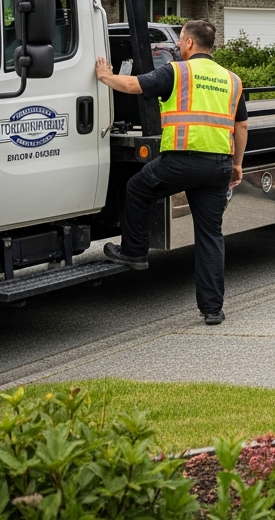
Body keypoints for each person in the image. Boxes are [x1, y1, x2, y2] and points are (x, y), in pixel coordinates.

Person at [95, 19, 248, 325]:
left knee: (138, 189)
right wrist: (237, 164)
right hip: (218, 164)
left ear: (189, 43)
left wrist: (105, 76)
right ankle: (212, 310)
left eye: (180, 40)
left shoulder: (177, 71)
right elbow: (241, 125)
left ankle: (134, 252)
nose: (179, 44)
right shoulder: (232, 79)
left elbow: (134, 85)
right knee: (210, 236)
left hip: (180, 162)